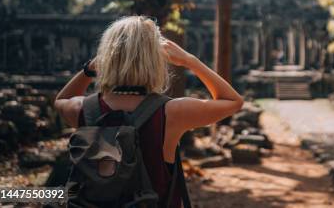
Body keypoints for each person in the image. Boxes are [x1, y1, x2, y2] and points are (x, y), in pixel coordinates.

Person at [54, 16, 243, 207]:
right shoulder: (171, 112)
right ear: (155, 60)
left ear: (106, 57)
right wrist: (189, 61)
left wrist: (89, 70)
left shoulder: (83, 109)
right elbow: (233, 101)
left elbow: (60, 100)